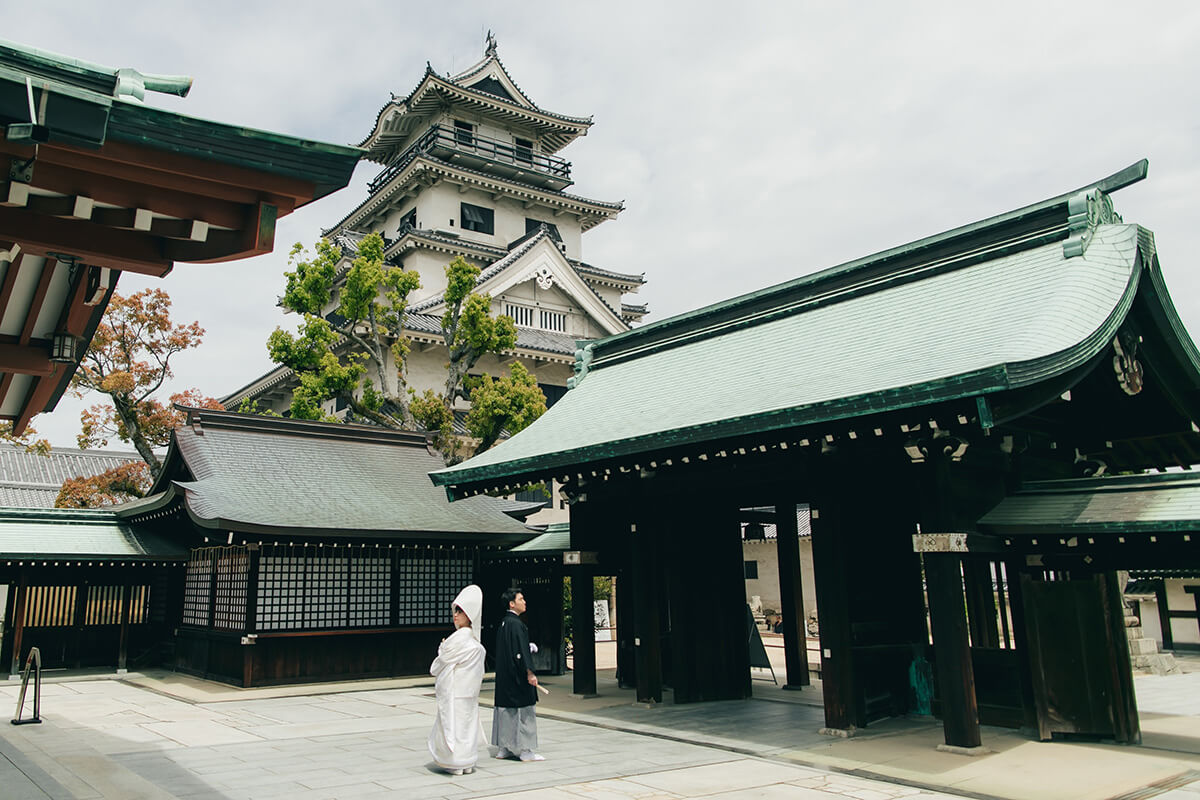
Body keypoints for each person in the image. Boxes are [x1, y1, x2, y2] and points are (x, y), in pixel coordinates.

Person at [428, 585, 486, 775]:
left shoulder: (457, 640)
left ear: (469, 615)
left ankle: (455, 762)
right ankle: (467, 762)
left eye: (460, 612)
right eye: (455, 611)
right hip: (469, 693)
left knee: (454, 726)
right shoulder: (476, 644)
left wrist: (441, 648)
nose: (456, 615)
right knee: (466, 726)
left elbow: (439, 664)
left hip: (455, 692)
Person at [492, 587, 543, 762]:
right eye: (521, 599)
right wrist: (530, 672)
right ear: (512, 604)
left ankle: (504, 747)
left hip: (505, 676)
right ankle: (526, 750)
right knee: (524, 711)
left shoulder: (505, 623)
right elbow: (520, 651)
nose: (524, 602)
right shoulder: (517, 624)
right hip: (517, 677)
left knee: (506, 710)